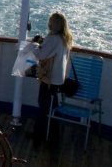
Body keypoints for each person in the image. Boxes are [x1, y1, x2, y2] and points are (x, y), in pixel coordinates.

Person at [30, 12, 74, 143]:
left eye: (50, 22)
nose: (48, 24)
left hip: (49, 79)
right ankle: (53, 135)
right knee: (52, 107)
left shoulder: (54, 38)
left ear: (53, 24)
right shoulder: (65, 38)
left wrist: (34, 44)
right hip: (59, 80)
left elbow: (41, 54)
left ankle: (39, 135)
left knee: (43, 106)